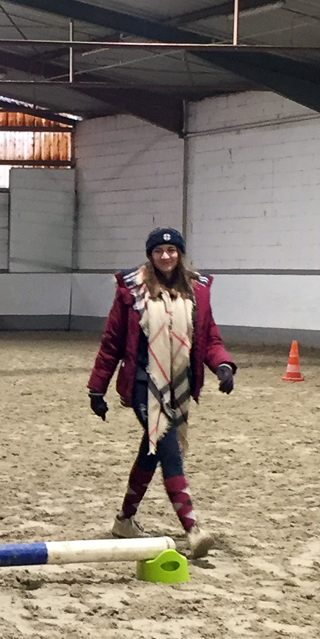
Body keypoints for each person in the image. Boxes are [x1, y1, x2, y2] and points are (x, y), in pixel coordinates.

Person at [87, 227, 236, 559]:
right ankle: (192, 529)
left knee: (151, 452)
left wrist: (223, 366)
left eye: (171, 250)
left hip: (179, 384)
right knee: (168, 448)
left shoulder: (197, 291)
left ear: (180, 254)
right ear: (150, 255)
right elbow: (111, 343)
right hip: (143, 384)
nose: (166, 256)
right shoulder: (131, 292)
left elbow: (208, 338)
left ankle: (125, 520)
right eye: (159, 251)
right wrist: (97, 389)